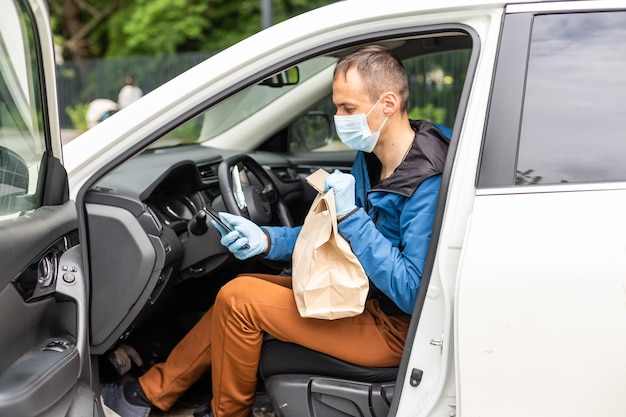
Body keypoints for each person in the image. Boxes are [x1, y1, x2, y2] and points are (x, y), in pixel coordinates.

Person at [101, 45, 449, 417]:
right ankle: (150, 393)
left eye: (348, 109)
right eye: (336, 107)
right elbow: (333, 237)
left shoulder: (425, 181)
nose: (338, 118)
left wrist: (352, 217)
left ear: (388, 104)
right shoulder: (372, 156)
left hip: (396, 329)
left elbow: (415, 294)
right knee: (239, 290)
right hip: (362, 295)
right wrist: (266, 239)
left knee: (240, 298)